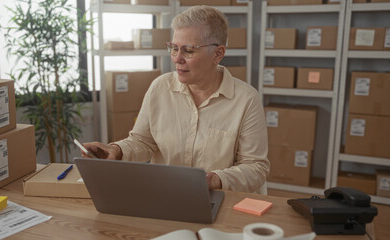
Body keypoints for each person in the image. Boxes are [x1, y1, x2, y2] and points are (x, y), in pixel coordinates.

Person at [81, 5, 270, 194]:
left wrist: (216, 179)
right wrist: (116, 150)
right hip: (165, 195)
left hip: (218, 200)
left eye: (188, 51)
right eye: (174, 48)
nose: (177, 59)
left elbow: (255, 167)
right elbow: (143, 141)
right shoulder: (160, 87)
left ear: (218, 54)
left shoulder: (246, 100)